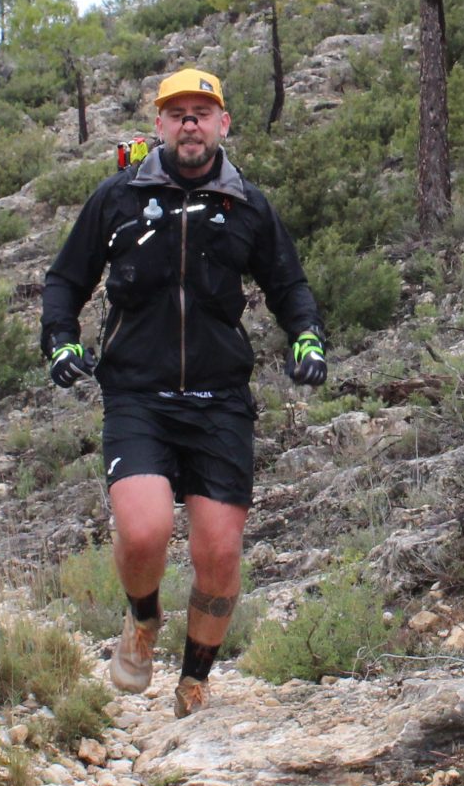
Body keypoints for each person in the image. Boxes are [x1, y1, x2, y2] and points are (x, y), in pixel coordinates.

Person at [39, 66, 327, 717]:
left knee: (218, 553)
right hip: (137, 394)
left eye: (202, 112)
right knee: (144, 532)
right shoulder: (119, 197)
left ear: (223, 123)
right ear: (160, 124)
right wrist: (60, 341)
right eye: (177, 113)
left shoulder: (246, 205)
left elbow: (289, 286)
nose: (190, 123)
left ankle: (195, 681)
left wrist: (307, 339)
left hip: (220, 399)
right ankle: (143, 617)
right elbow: (66, 279)